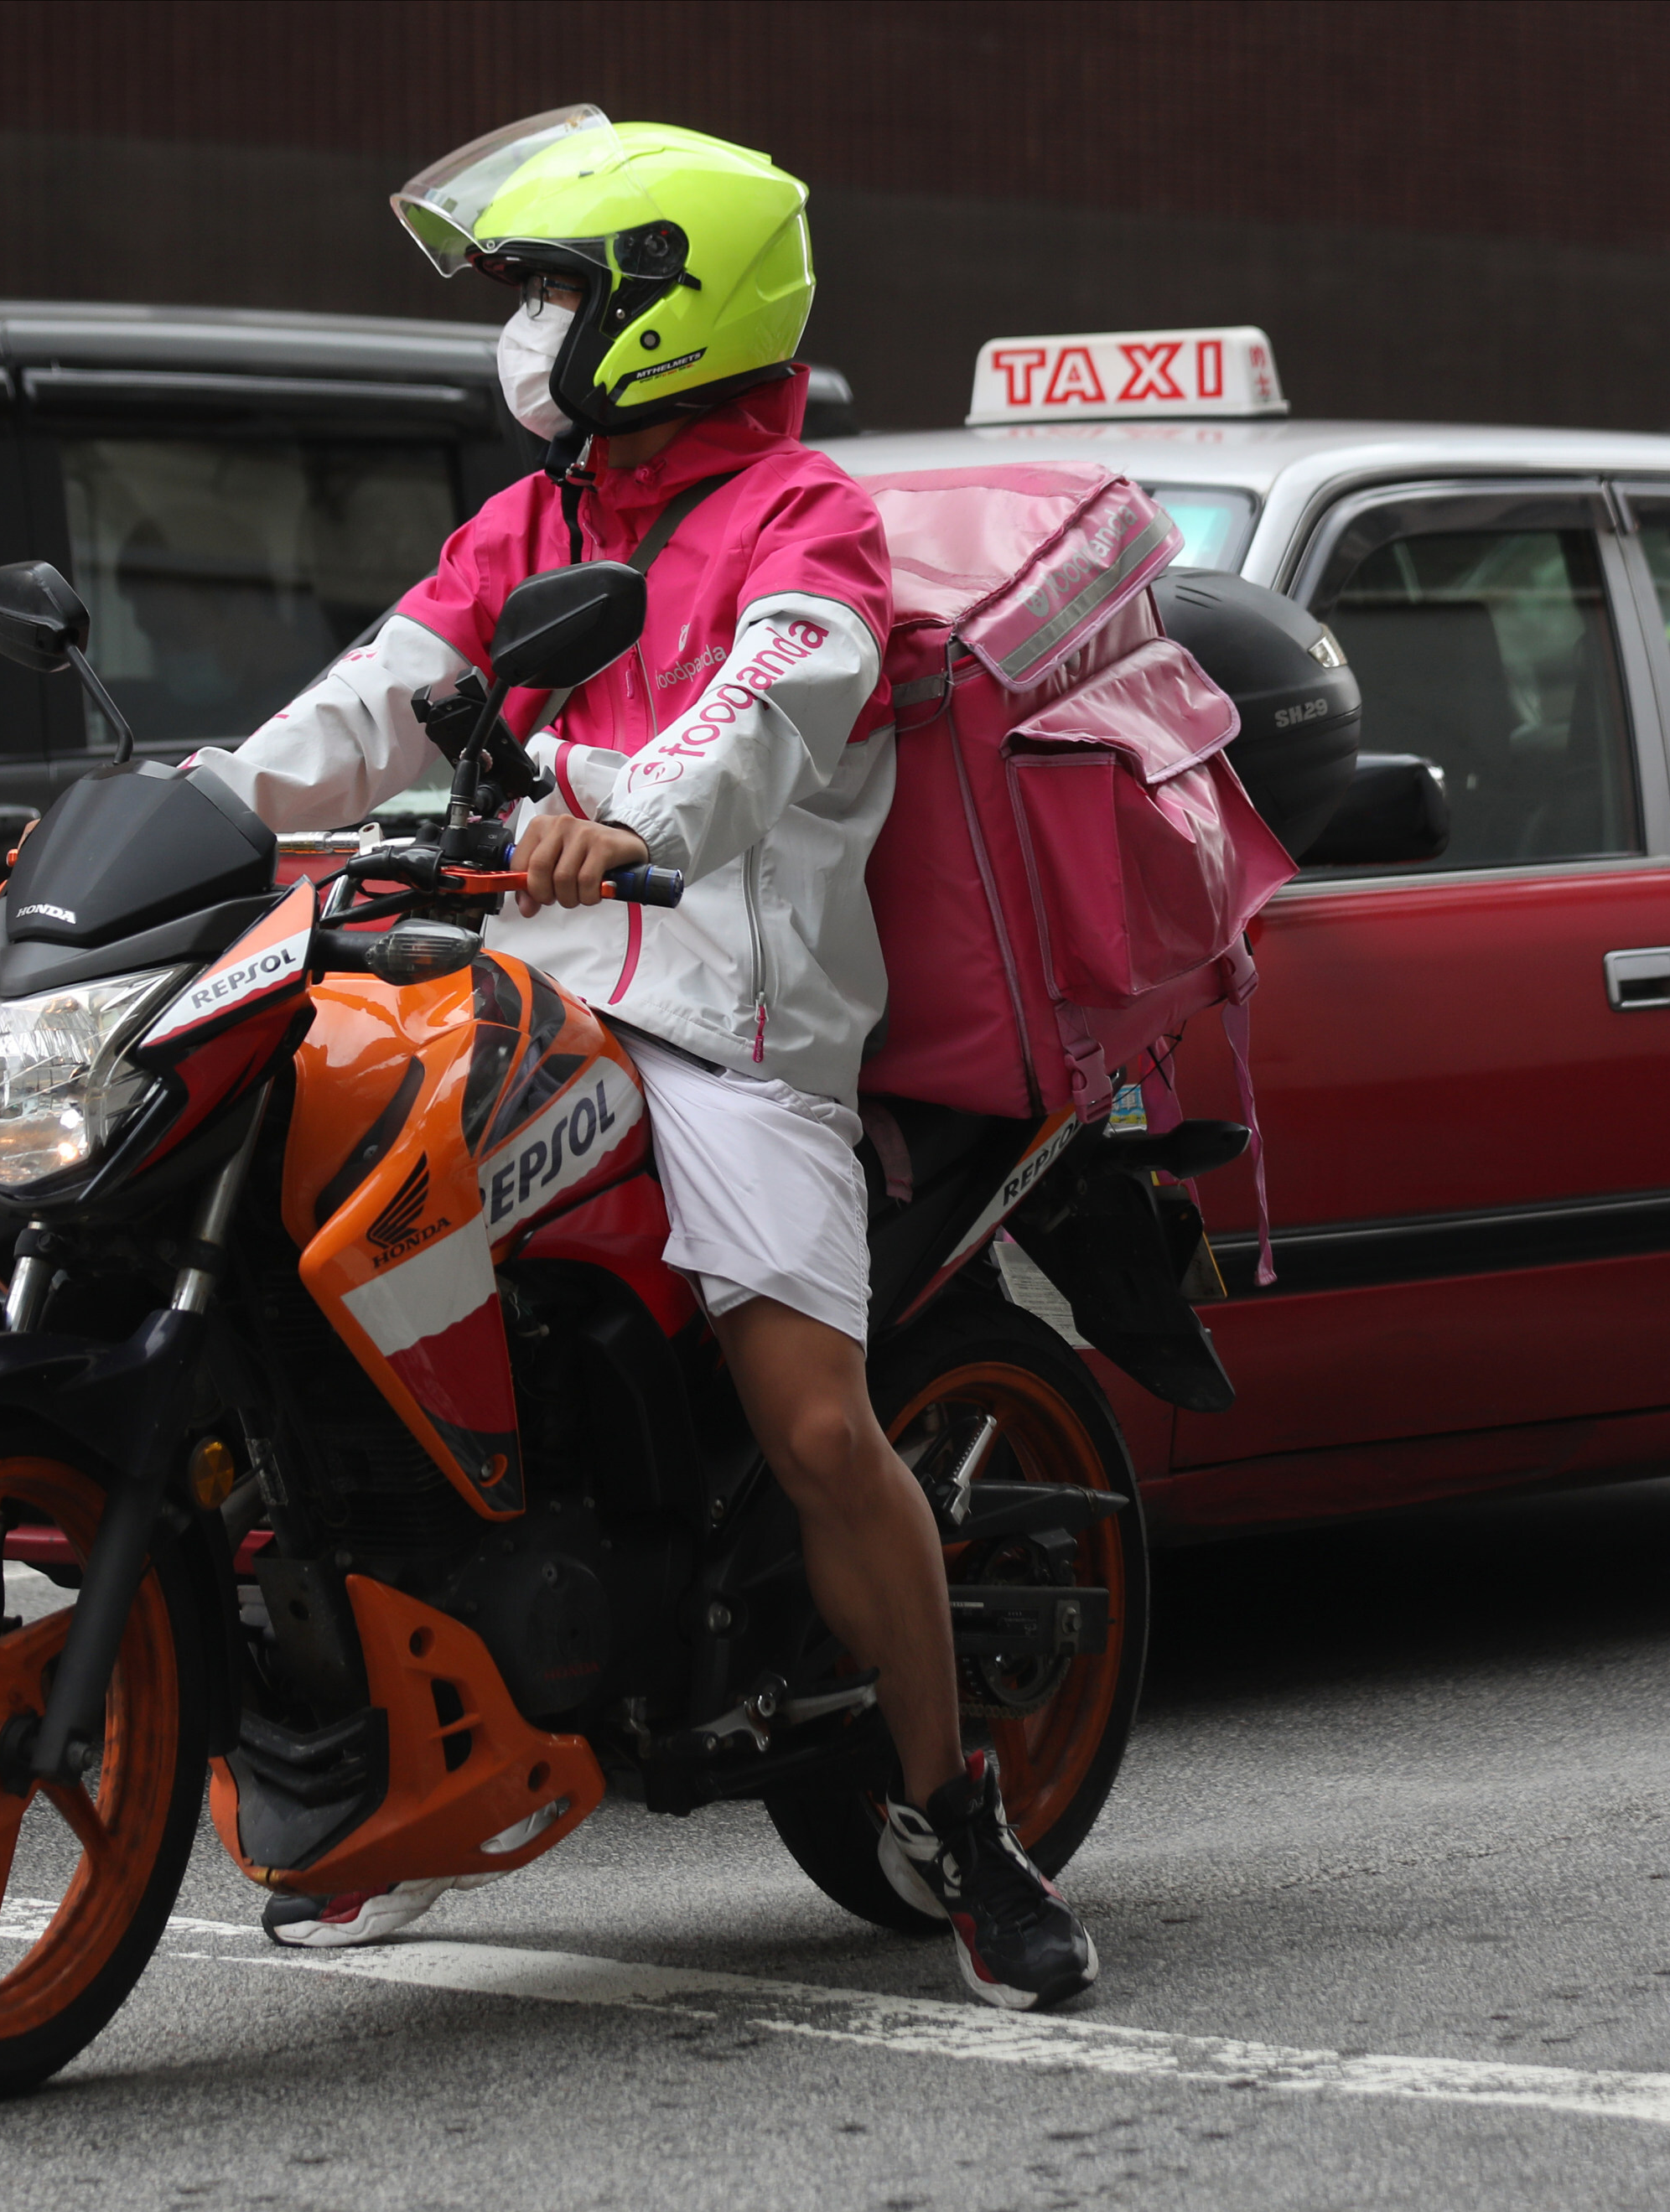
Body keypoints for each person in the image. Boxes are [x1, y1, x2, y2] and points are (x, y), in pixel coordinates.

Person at [186, 110, 1097, 2013]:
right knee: (315, 1286)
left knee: (817, 1428)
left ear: (672, 313)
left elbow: (771, 702)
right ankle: (433, 1762)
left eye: (554, 292)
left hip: (726, 1023)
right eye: (522, 290)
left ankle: (956, 1814)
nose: (524, 327)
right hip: (519, 984)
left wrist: (619, 802)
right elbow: (385, 687)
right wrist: (200, 796)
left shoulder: (803, 519)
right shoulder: (535, 520)